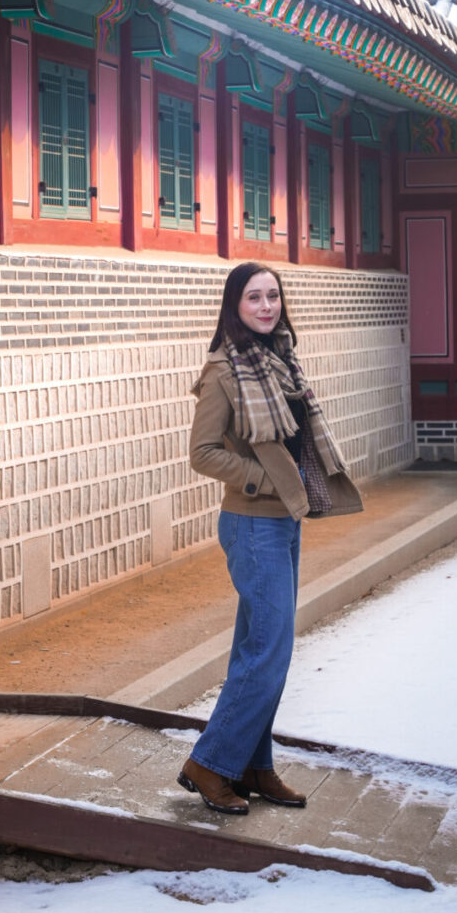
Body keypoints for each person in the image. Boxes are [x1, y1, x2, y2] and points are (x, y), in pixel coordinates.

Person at [177, 261, 363, 815]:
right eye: (253, 297)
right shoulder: (223, 371)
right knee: (270, 652)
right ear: (234, 305)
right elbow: (201, 453)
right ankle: (210, 764)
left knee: (258, 650)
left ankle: (252, 766)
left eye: (272, 296)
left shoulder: (281, 361)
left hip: (284, 520)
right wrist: (260, 480)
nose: (266, 305)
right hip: (252, 522)